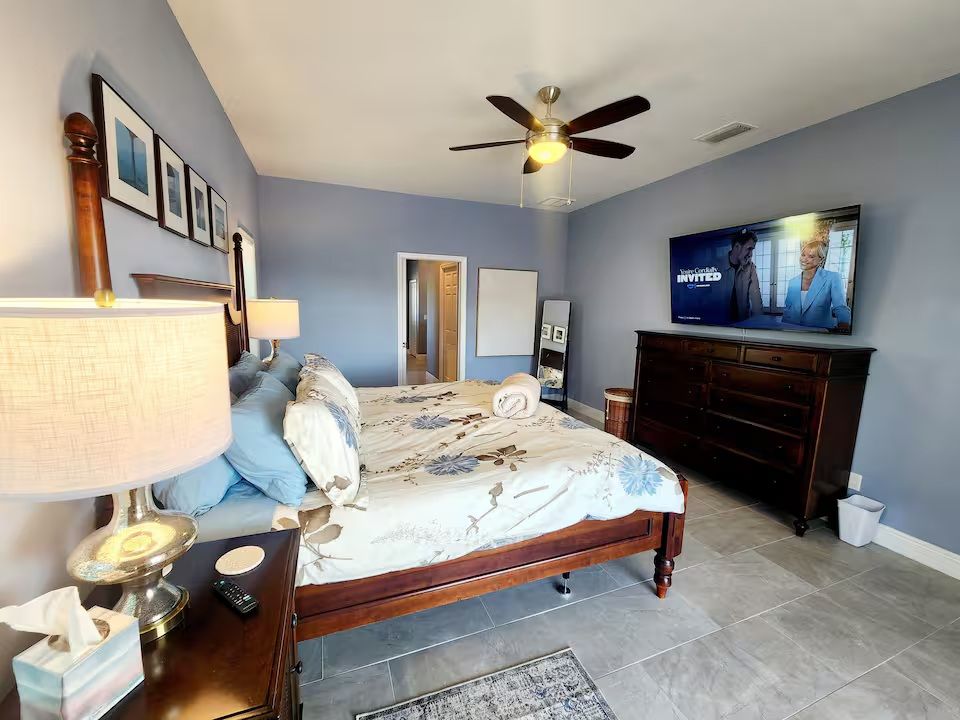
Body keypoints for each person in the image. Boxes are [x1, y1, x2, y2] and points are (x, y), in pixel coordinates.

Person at [782, 238, 851, 330]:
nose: (804, 259)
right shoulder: (792, 282)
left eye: (811, 256)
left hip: (820, 333)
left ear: (821, 260)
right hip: (792, 331)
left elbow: (840, 307)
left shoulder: (833, 278)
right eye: (803, 255)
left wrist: (843, 324)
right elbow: (788, 310)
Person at [719, 228, 763, 322]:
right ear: (737, 246)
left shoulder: (750, 267)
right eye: (749, 249)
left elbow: (756, 299)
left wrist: (760, 323)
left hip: (742, 324)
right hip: (718, 323)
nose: (751, 254)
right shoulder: (716, 265)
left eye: (752, 250)